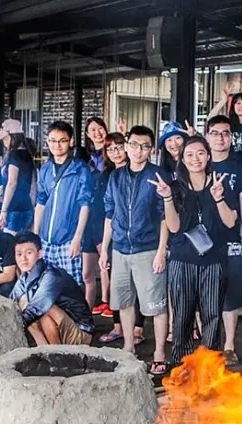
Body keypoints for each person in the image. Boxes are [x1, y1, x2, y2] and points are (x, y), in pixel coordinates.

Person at [150, 136, 237, 365]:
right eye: (189, 154)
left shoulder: (220, 183)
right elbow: (174, 227)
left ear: (208, 156)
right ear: (182, 159)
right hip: (182, 259)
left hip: (214, 260)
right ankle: (182, 366)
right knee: (182, 316)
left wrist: (218, 198)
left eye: (200, 153)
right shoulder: (174, 187)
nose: (195, 159)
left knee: (212, 315)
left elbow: (230, 222)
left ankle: (209, 365)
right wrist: (167, 198)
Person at [100, 125, 170, 375]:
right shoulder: (116, 176)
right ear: (127, 146)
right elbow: (110, 213)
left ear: (151, 150)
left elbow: (164, 216)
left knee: (156, 304)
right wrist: (104, 249)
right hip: (120, 248)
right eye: (134, 145)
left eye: (145, 146)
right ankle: (129, 346)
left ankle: (159, 352)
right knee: (124, 301)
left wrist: (161, 250)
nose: (138, 150)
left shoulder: (158, 175)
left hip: (148, 248)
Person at [206, 115, 242, 365]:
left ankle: (229, 345)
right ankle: (208, 343)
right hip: (202, 238)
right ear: (207, 136)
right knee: (203, 292)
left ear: (232, 137)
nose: (221, 138)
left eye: (225, 133)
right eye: (215, 133)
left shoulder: (240, 165)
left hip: (231, 236)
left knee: (231, 294)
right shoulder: (200, 161)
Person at [97, 132, 148, 344]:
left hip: (141, 239)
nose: (115, 152)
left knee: (139, 285)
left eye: (119, 147)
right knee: (118, 286)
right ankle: (117, 326)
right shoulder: (108, 175)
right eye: (110, 149)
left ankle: (138, 329)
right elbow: (108, 213)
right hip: (115, 236)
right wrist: (104, 246)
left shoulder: (139, 172)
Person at [33, 121, 94, 286]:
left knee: (70, 288)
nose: (57, 145)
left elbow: (85, 205)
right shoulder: (46, 168)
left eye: (62, 140)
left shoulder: (80, 169)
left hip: (68, 240)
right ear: (47, 141)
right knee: (45, 286)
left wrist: (77, 238)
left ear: (71, 141)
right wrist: (36, 237)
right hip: (46, 239)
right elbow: (40, 203)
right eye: (53, 140)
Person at [11, 231, 94, 346]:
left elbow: (39, 307)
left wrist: (14, 325)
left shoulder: (51, 275)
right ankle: (43, 346)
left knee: (43, 308)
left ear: (40, 254)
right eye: (19, 254)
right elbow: (11, 300)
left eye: (29, 253)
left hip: (80, 333)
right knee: (23, 302)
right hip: (60, 326)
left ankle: (56, 351)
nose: (23, 258)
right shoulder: (25, 277)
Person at [81, 118, 109, 312]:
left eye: (100, 128)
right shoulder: (86, 157)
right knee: (87, 270)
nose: (97, 132)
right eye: (93, 130)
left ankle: (107, 300)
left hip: (104, 212)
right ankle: (88, 308)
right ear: (88, 135)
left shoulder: (111, 155)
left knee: (105, 260)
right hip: (87, 213)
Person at [0, 119, 36, 234]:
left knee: (10, 242)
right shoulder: (27, 154)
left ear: (13, 137)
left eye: (5, 138)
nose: (3, 141)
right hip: (27, 207)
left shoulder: (14, 155)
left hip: (14, 209)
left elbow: (12, 183)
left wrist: (4, 211)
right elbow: (29, 182)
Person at [208, 83, 242, 163]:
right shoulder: (229, 125)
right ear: (233, 107)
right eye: (238, 103)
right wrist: (223, 101)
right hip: (233, 166)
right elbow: (210, 120)